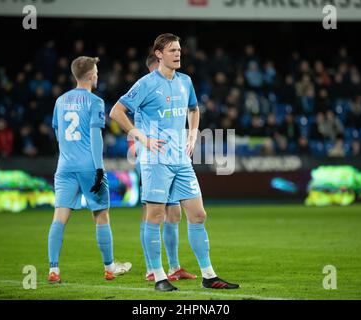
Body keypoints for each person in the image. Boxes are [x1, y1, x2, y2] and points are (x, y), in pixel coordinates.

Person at [110, 33, 239, 291]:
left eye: (179, 50)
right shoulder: (146, 84)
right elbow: (116, 111)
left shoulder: (185, 81)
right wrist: (140, 136)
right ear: (158, 54)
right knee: (155, 215)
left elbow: (194, 109)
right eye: (172, 50)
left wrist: (192, 135)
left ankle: (209, 276)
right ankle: (158, 275)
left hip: (181, 159)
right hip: (156, 160)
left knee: (198, 214)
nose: (178, 54)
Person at [48, 56, 131, 284]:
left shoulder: (60, 101)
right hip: (88, 166)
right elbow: (96, 138)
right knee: (101, 216)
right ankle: (110, 267)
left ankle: (54, 269)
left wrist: (69, 153)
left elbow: (57, 134)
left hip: (65, 167)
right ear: (91, 75)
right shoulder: (95, 102)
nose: (97, 74)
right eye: (96, 71)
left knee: (59, 218)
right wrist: (99, 168)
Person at [130, 53, 197, 282]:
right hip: (151, 159)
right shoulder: (145, 91)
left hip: (171, 158)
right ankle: (151, 268)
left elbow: (188, 110)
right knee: (152, 213)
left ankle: (174, 266)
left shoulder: (175, 85)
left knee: (175, 213)